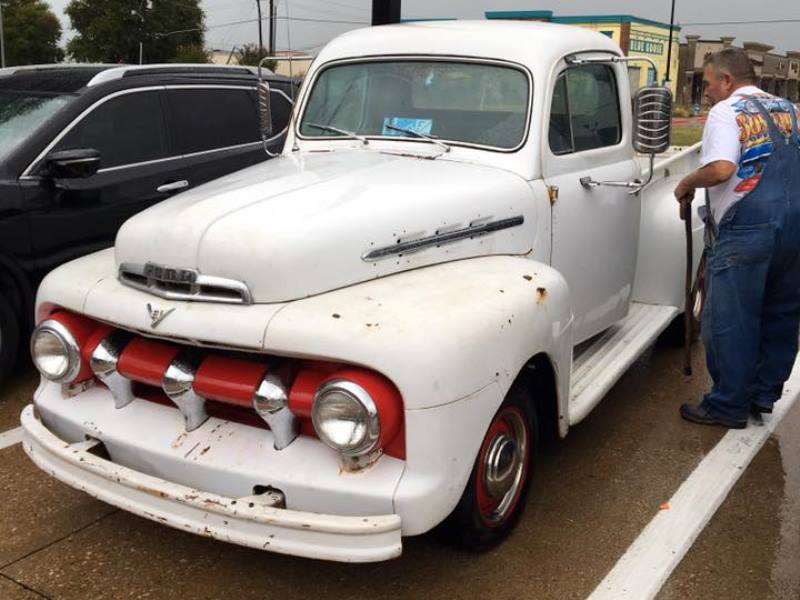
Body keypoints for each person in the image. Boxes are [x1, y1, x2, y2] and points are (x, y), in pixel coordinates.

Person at [673, 47, 800, 429]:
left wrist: (686, 182)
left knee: (730, 319)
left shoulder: (726, 112)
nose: (707, 91)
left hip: (748, 228)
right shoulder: (790, 109)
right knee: (781, 313)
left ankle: (727, 404)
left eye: (709, 83)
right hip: (794, 227)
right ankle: (762, 395)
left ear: (727, 81)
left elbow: (722, 168)